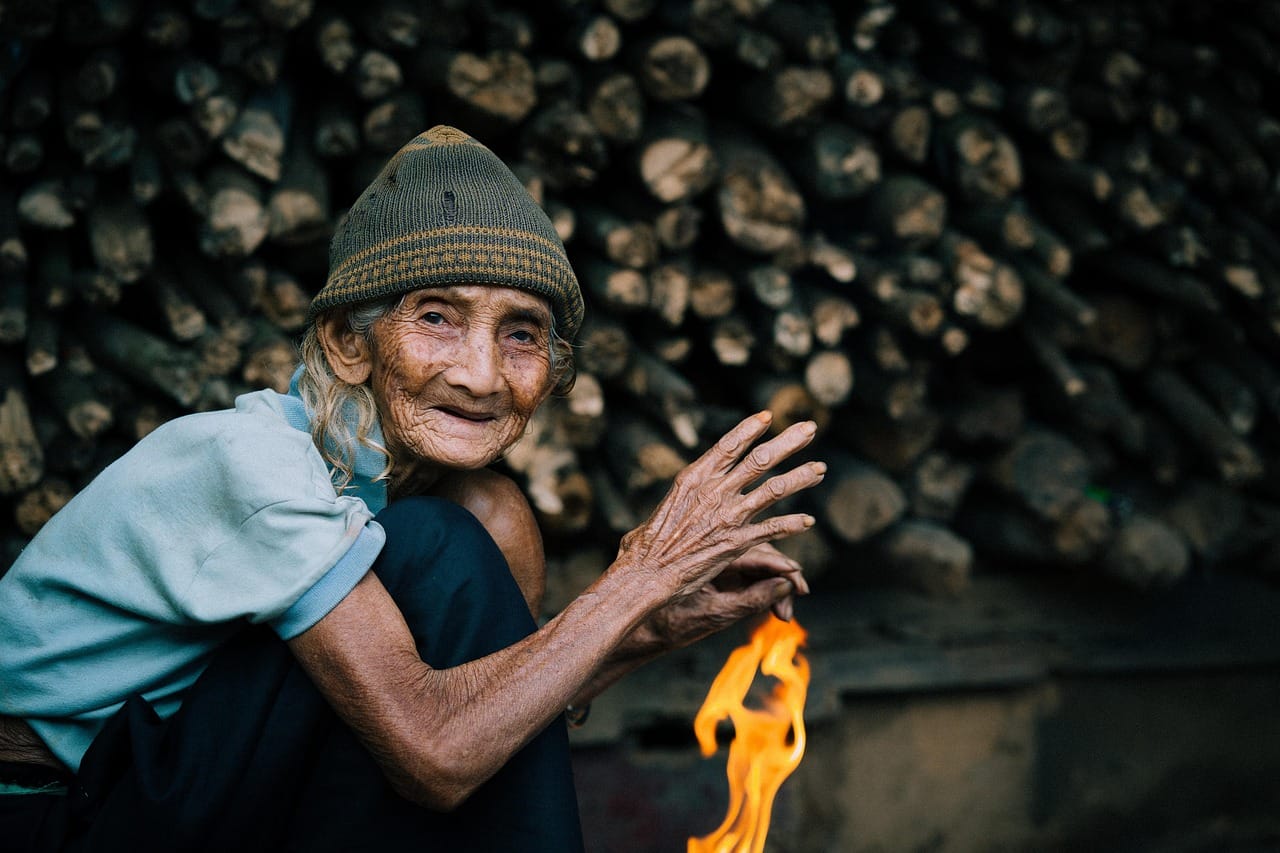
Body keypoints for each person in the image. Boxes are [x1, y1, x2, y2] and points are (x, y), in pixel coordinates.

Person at [0, 125, 825, 851]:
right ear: (346, 343)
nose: (481, 374)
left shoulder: (386, 500)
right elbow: (435, 749)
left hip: (163, 782)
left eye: (521, 334)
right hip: (44, 814)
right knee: (452, 543)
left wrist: (642, 631)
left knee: (479, 517)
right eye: (436, 316)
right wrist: (639, 577)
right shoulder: (253, 463)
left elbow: (463, 712)